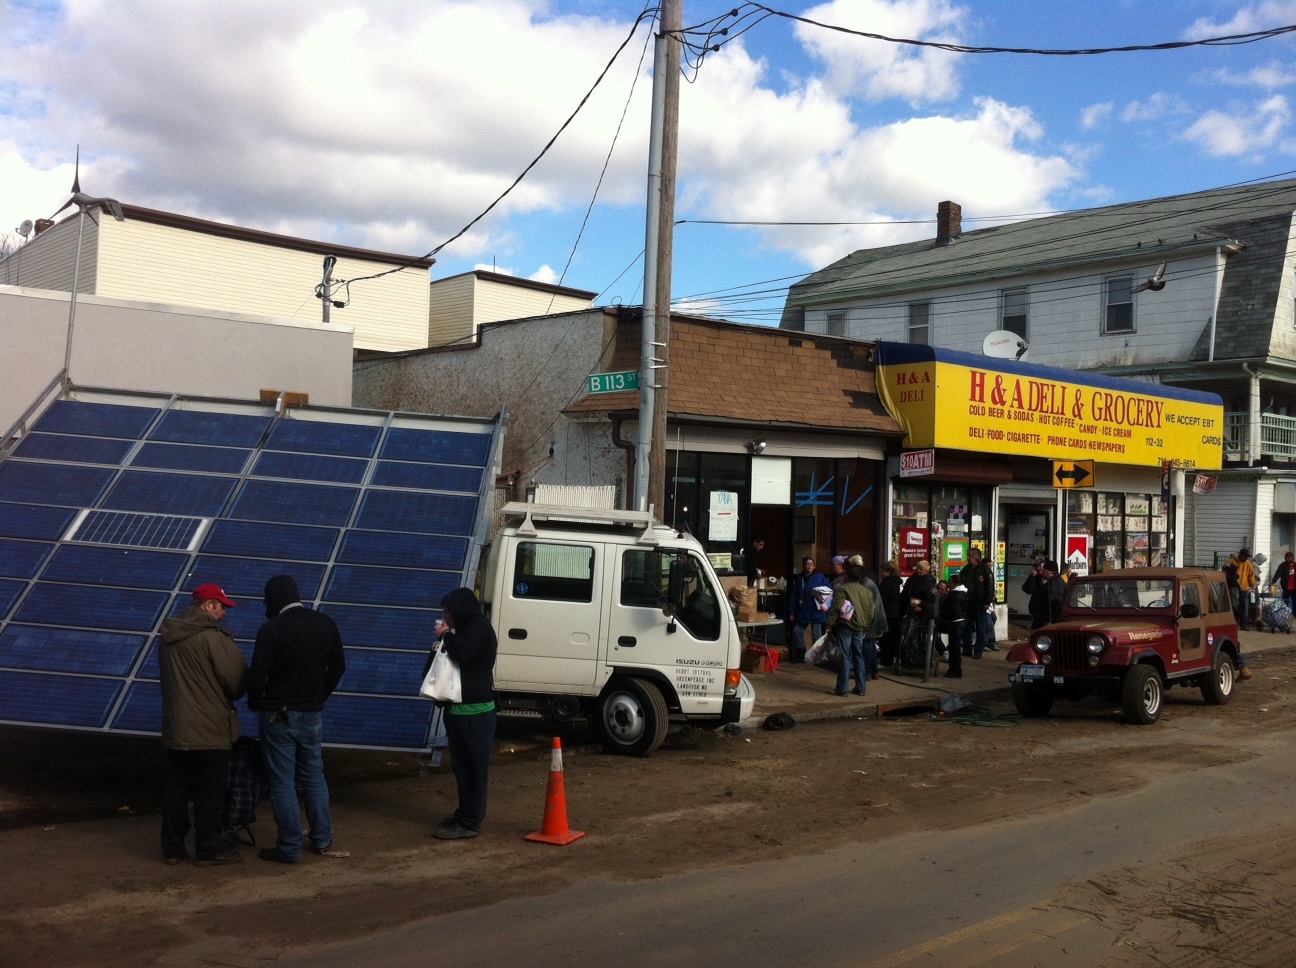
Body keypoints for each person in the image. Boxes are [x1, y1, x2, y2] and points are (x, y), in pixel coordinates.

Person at [247, 575, 346, 864]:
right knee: (314, 776)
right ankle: (322, 839)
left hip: (278, 715)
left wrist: (257, 705)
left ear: (274, 599)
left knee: (282, 782)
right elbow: (338, 666)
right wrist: (321, 695)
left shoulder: (271, 629)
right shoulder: (325, 623)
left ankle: (289, 848)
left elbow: (257, 676)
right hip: (312, 714)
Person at [158, 583, 248, 866]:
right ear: (207, 605)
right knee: (209, 794)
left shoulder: (169, 636)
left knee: (177, 790)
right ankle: (208, 850)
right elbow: (237, 681)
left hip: (177, 729)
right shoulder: (212, 638)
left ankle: (172, 849)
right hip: (210, 730)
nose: (223, 613)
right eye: (221, 606)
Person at [432, 587, 499, 840]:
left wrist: (446, 635)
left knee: (473, 770)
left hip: (475, 714)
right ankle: (465, 814)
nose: (445, 617)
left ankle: (469, 822)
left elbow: (461, 653)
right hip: (460, 711)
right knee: (463, 769)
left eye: (448, 612)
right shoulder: (470, 628)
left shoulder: (478, 628)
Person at [826, 558, 876, 696]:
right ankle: (861, 688)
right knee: (858, 657)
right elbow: (871, 612)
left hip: (845, 626)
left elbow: (836, 608)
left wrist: (829, 624)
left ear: (847, 576)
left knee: (845, 657)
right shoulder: (867, 592)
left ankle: (842, 689)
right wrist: (866, 627)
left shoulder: (842, 589)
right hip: (860, 627)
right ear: (860, 577)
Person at [786, 557, 831, 664]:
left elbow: (829, 591)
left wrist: (826, 605)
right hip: (803, 610)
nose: (809, 566)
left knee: (816, 634)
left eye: (811, 564)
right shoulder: (799, 579)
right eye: (807, 564)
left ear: (814, 566)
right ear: (803, 566)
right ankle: (801, 654)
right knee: (797, 631)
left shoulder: (819, 577)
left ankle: (818, 657)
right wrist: (791, 611)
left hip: (817, 610)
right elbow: (795, 596)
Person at [899, 561, 939, 669]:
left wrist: (921, 606)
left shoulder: (929, 582)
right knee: (908, 638)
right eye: (918, 568)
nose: (918, 571)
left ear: (926, 570)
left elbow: (931, 598)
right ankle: (908, 660)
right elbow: (906, 592)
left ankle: (920, 661)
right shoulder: (912, 579)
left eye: (921, 569)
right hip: (910, 611)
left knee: (920, 639)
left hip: (921, 614)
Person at [960, 547, 996, 658]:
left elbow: (989, 586)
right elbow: (961, 582)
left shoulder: (984, 569)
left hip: (980, 603)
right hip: (968, 603)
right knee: (967, 627)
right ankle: (967, 649)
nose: (968, 558)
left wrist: (987, 602)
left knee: (981, 628)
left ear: (976, 557)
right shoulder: (966, 569)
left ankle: (978, 651)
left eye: (969, 556)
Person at [937, 578, 967, 679]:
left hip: (954, 622)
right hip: (961, 621)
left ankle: (955, 670)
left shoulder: (954, 594)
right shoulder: (964, 593)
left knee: (954, 648)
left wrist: (944, 616)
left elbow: (952, 610)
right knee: (955, 647)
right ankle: (954, 669)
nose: (949, 585)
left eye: (950, 582)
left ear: (955, 583)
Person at [1022, 559, 1064, 630]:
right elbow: (1027, 589)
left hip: (1047, 618)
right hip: (1037, 613)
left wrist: (1048, 619)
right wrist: (1032, 576)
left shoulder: (1054, 583)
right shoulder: (1036, 579)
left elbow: (1053, 603)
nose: (1038, 568)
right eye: (1036, 566)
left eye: (1040, 566)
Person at [877, 560, 903, 668]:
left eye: (882, 571)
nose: (881, 573)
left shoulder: (887, 583)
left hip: (888, 614)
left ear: (887, 572)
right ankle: (887, 659)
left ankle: (886, 661)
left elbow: (881, 598)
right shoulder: (895, 583)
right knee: (889, 638)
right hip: (894, 614)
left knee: (886, 639)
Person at [1229, 547, 1260, 631]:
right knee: (1234, 606)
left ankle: (1243, 625)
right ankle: (1234, 623)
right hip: (1234, 587)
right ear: (1241, 555)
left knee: (1244, 608)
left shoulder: (1248, 564)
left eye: (1247, 557)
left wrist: (1253, 585)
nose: (1247, 558)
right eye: (1245, 556)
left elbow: (1251, 576)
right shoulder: (1232, 561)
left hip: (1244, 588)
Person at [1271, 551, 1296, 615]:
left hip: (1294, 587)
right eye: (1286, 557)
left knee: (1295, 601)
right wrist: (1274, 581)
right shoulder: (1282, 565)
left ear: (1292, 558)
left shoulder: (1295, 565)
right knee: (1285, 600)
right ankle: (1285, 614)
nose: (1287, 559)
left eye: (1289, 557)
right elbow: (1278, 573)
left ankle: (1295, 614)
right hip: (1286, 586)